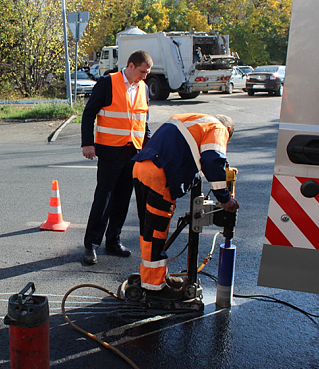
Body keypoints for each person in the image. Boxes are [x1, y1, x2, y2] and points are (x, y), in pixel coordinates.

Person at [132, 113, 239, 299]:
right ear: (228, 131)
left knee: (148, 232)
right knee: (155, 234)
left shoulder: (192, 120)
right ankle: (154, 288)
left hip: (142, 169)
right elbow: (213, 160)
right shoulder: (218, 128)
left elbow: (182, 151)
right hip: (159, 177)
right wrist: (225, 199)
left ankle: (155, 276)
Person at [81, 50, 153, 265]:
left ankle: (113, 241)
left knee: (122, 200)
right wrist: (87, 143)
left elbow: (143, 122)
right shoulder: (107, 82)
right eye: (142, 71)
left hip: (133, 153)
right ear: (130, 66)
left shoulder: (143, 88)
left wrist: (149, 150)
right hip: (110, 151)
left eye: (147, 73)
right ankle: (91, 245)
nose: (144, 76)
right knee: (103, 199)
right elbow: (89, 113)